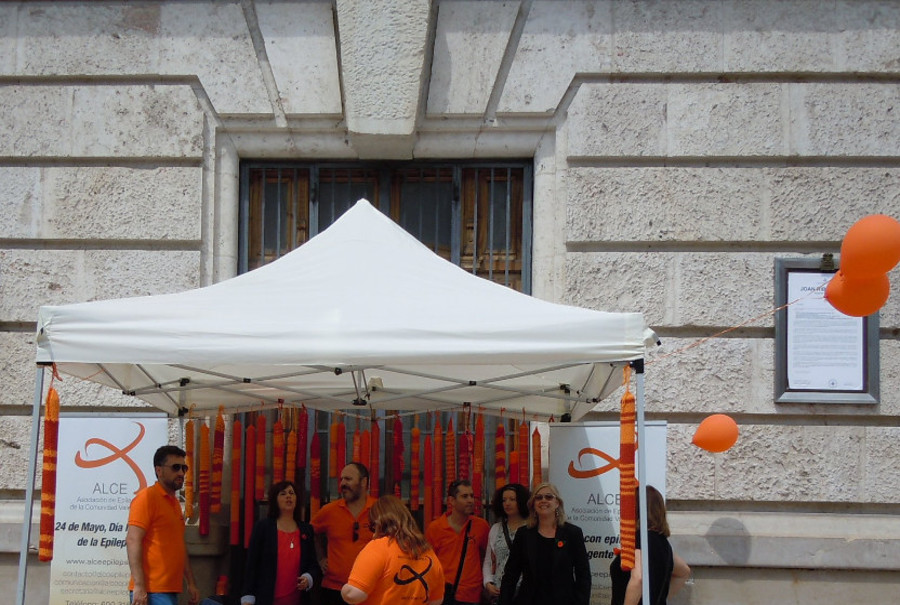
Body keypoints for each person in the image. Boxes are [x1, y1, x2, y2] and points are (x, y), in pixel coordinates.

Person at [126, 444, 200, 605]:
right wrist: (139, 586)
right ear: (159, 470)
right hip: (151, 591)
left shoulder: (174, 503)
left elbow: (179, 545)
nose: (181, 473)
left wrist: (191, 583)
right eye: (175, 467)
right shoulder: (147, 498)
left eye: (184, 468)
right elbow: (132, 540)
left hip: (169, 589)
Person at [341, 495, 446, 605]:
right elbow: (437, 601)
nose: (373, 534)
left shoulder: (378, 547)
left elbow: (354, 594)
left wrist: (345, 589)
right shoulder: (429, 553)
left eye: (372, 527)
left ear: (378, 523)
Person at [498, 482, 590, 605]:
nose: (543, 500)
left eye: (549, 497)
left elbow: (583, 575)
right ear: (533, 504)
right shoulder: (523, 534)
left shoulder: (573, 533)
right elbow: (511, 574)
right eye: (538, 497)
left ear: (557, 503)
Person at [241, 480, 321, 605]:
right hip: (266, 599)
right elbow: (252, 565)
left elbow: (313, 565)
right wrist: (248, 596)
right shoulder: (263, 528)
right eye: (283, 494)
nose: (288, 496)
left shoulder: (306, 530)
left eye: (291, 493)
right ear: (275, 500)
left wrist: (308, 578)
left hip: (297, 599)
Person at [609, 485, 691, 605]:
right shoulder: (663, 542)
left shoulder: (641, 538)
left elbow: (638, 578)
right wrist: (660, 599)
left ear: (635, 509)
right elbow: (684, 572)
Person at [311, 462, 377, 605]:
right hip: (334, 590)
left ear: (364, 482)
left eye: (348, 479)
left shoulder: (379, 510)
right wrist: (320, 558)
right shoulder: (329, 511)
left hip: (370, 590)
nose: (342, 484)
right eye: (341, 479)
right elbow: (310, 532)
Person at [425, 479, 490, 605]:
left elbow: (488, 558)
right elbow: (427, 563)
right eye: (464, 496)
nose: (470, 500)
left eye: (472, 496)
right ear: (452, 501)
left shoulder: (481, 526)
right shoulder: (435, 528)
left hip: (472, 595)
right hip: (443, 593)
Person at [482, 483, 529, 603]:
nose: (507, 503)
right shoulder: (496, 529)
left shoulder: (531, 529)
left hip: (524, 592)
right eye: (504, 500)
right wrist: (488, 582)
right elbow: (488, 561)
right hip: (500, 591)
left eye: (512, 499)